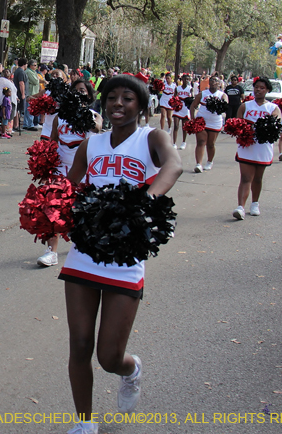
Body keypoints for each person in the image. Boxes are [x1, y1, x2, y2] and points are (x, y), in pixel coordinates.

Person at [59, 75, 181, 434]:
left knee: (109, 356)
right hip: (85, 251)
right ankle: (84, 423)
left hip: (125, 255)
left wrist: (146, 200)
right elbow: (71, 186)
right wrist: (49, 198)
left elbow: (173, 166)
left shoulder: (152, 137)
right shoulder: (90, 143)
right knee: (80, 343)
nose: (118, 103)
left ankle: (131, 370)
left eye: (127, 98)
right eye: (111, 97)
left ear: (141, 106)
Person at [37, 78, 101, 267]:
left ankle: (86, 244)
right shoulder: (59, 118)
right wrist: (44, 162)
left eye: (83, 91)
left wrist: (79, 114)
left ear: (88, 95)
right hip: (61, 170)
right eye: (76, 90)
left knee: (83, 212)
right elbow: (53, 142)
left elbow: (96, 128)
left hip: (84, 172)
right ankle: (51, 252)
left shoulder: (94, 115)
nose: (79, 93)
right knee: (53, 209)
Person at [232, 77, 281, 220]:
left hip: (262, 148)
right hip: (247, 146)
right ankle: (240, 207)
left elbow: (276, 127)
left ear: (267, 90)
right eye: (256, 87)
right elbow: (237, 124)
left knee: (258, 179)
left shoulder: (273, 108)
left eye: (262, 88)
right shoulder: (245, 106)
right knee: (246, 177)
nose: (258, 90)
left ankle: (255, 204)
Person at [189, 76, 228, 173]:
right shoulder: (202, 94)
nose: (213, 82)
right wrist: (193, 119)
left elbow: (225, 105)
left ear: (219, 83)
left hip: (215, 122)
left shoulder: (222, 95)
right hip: (202, 120)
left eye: (216, 80)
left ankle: (210, 161)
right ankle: (199, 164)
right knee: (201, 141)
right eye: (212, 80)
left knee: (210, 144)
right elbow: (193, 106)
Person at [0, 70, 17, 138]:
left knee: (5, 121)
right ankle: (4, 132)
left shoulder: (7, 82)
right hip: (5, 110)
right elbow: (3, 107)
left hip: (3, 106)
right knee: (4, 122)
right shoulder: (5, 99)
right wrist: (4, 114)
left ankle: (4, 132)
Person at [13, 58, 28, 133]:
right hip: (19, 93)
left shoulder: (17, 71)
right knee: (18, 109)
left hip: (18, 92)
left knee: (17, 109)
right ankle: (16, 125)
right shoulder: (21, 72)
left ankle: (16, 124)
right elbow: (21, 83)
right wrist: (23, 94)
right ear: (25, 64)